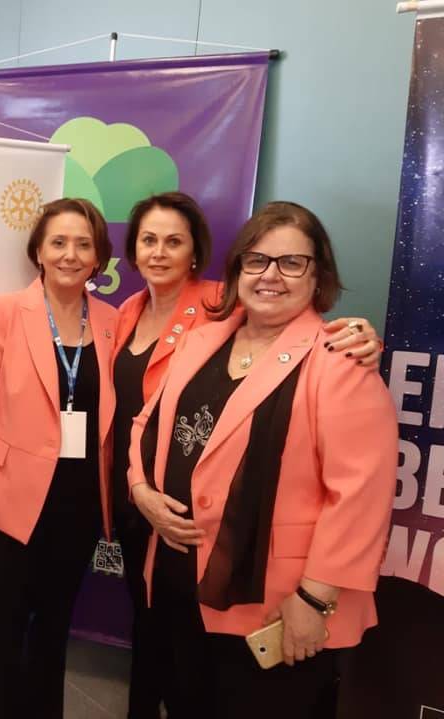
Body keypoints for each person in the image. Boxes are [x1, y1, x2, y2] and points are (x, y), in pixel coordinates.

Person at [111, 192, 382, 718]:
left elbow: (360, 496)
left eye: (291, 262)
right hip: (176, 581)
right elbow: (146, 424)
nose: (270, 275)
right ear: (237, 270)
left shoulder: (339, 360)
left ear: (317, 275)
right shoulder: (201, 342)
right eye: (257, 260)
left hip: (272, 601)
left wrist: (313, 600)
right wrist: (141, 491)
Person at [0, 198, 118, 719]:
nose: (70, 254)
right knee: (3, 632)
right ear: (39, 252)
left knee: (53, 630)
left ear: (98, 257)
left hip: (80, 499)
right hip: (12, 495)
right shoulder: (3, 311)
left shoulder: (113, 320)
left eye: (83, 244)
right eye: (59, 242)